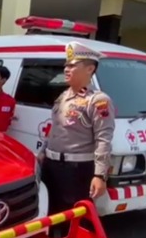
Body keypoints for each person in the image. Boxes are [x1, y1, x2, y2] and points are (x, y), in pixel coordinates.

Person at [38, 41, 116, 218]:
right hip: (52, 165)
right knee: (51, 212)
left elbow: (103, 139)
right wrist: (43, 151)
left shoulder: (98, 100)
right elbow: (55, 128)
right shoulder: (63, 96)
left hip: (76, 170)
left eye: (72, 65)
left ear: (89, 69)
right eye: (66, 65)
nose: (66, 69)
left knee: (75, 217)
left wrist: (99, 175)